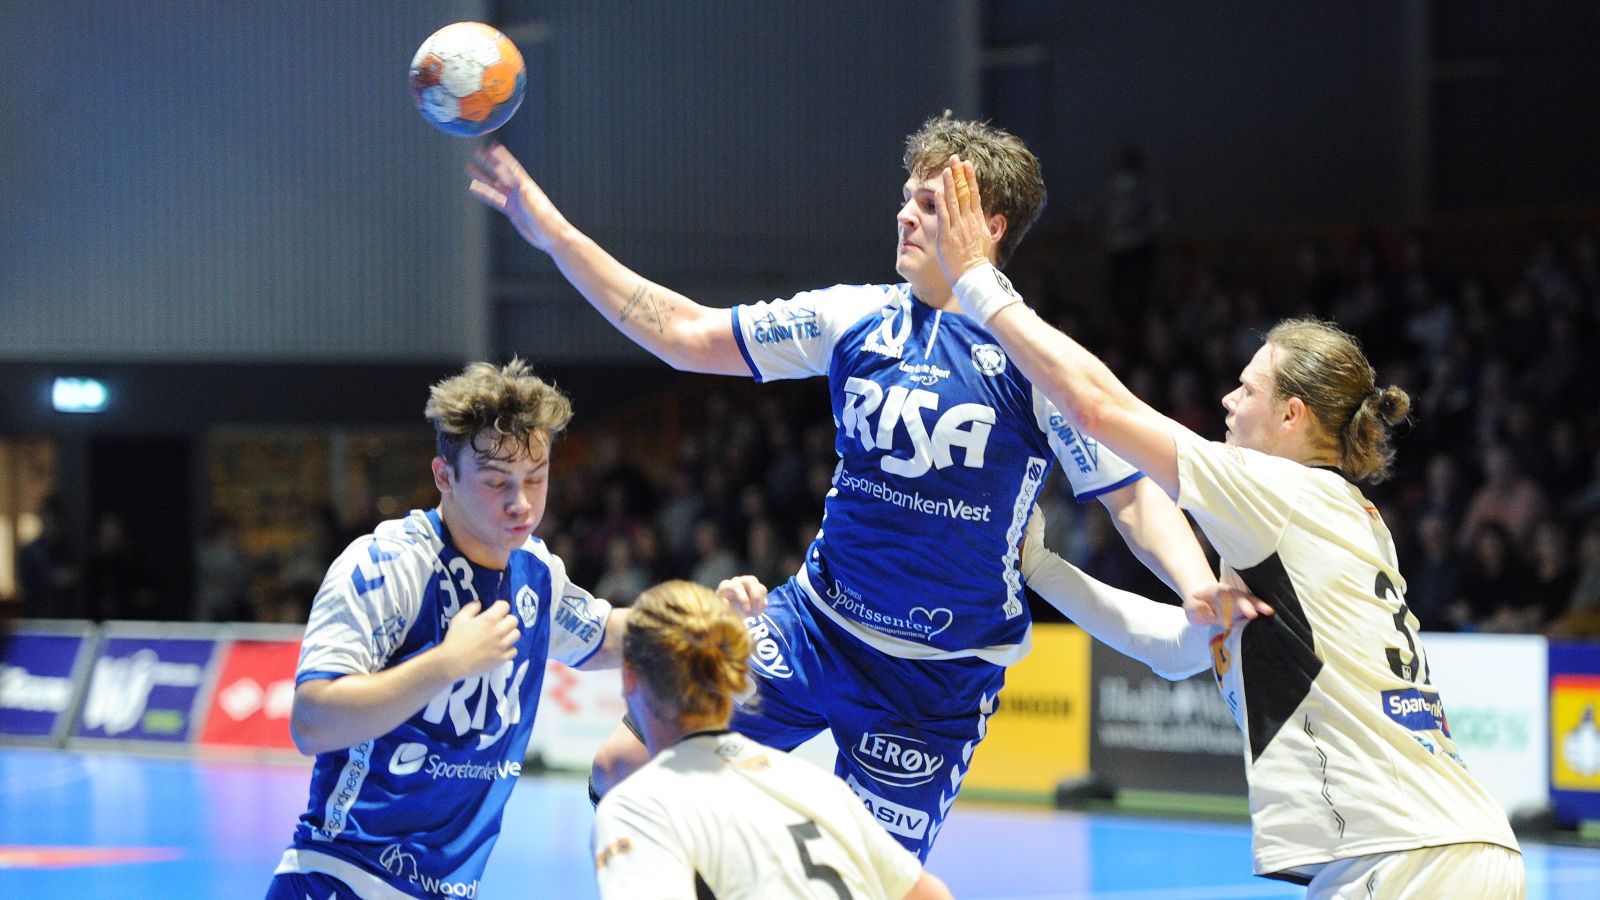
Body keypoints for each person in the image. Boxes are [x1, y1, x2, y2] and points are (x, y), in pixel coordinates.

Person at [468, 113, 1218, 859]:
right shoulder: (853, 316)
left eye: (930, 203)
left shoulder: (1037, 360)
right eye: (906, 196)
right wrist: (554, 236)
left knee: (861, 876)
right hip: (813, 628)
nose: (904, 214)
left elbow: (1130, 495)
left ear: (989, 227)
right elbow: (684, 333)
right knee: (623, 767)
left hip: (934, 684)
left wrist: (1195, 587)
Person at [933, 154, 1523, 895]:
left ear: (1291, 415)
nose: (1226, 402)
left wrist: (977, 281)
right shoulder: (1326, 521)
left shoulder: (1278, 490)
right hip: (1425, 847)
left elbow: (1097, 408)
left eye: (1246, 389)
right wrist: (1040, 568)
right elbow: (1173, 646)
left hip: (1407, 854)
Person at [266, 359, 766, 899]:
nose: (521, 503)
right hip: (341, 878)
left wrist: (706, 614)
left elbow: (605, 633)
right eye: (495, 482)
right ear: (444, 476)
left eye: (536, 478)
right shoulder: (387, 565)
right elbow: (311, 721)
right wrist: (447, 663)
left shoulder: (535, 571)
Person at [593, 580, 951, 899]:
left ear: (628, 677)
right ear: (735, 675)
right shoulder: (822, 791)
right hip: (928, 659)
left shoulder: (639, 804)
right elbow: (931, 894)